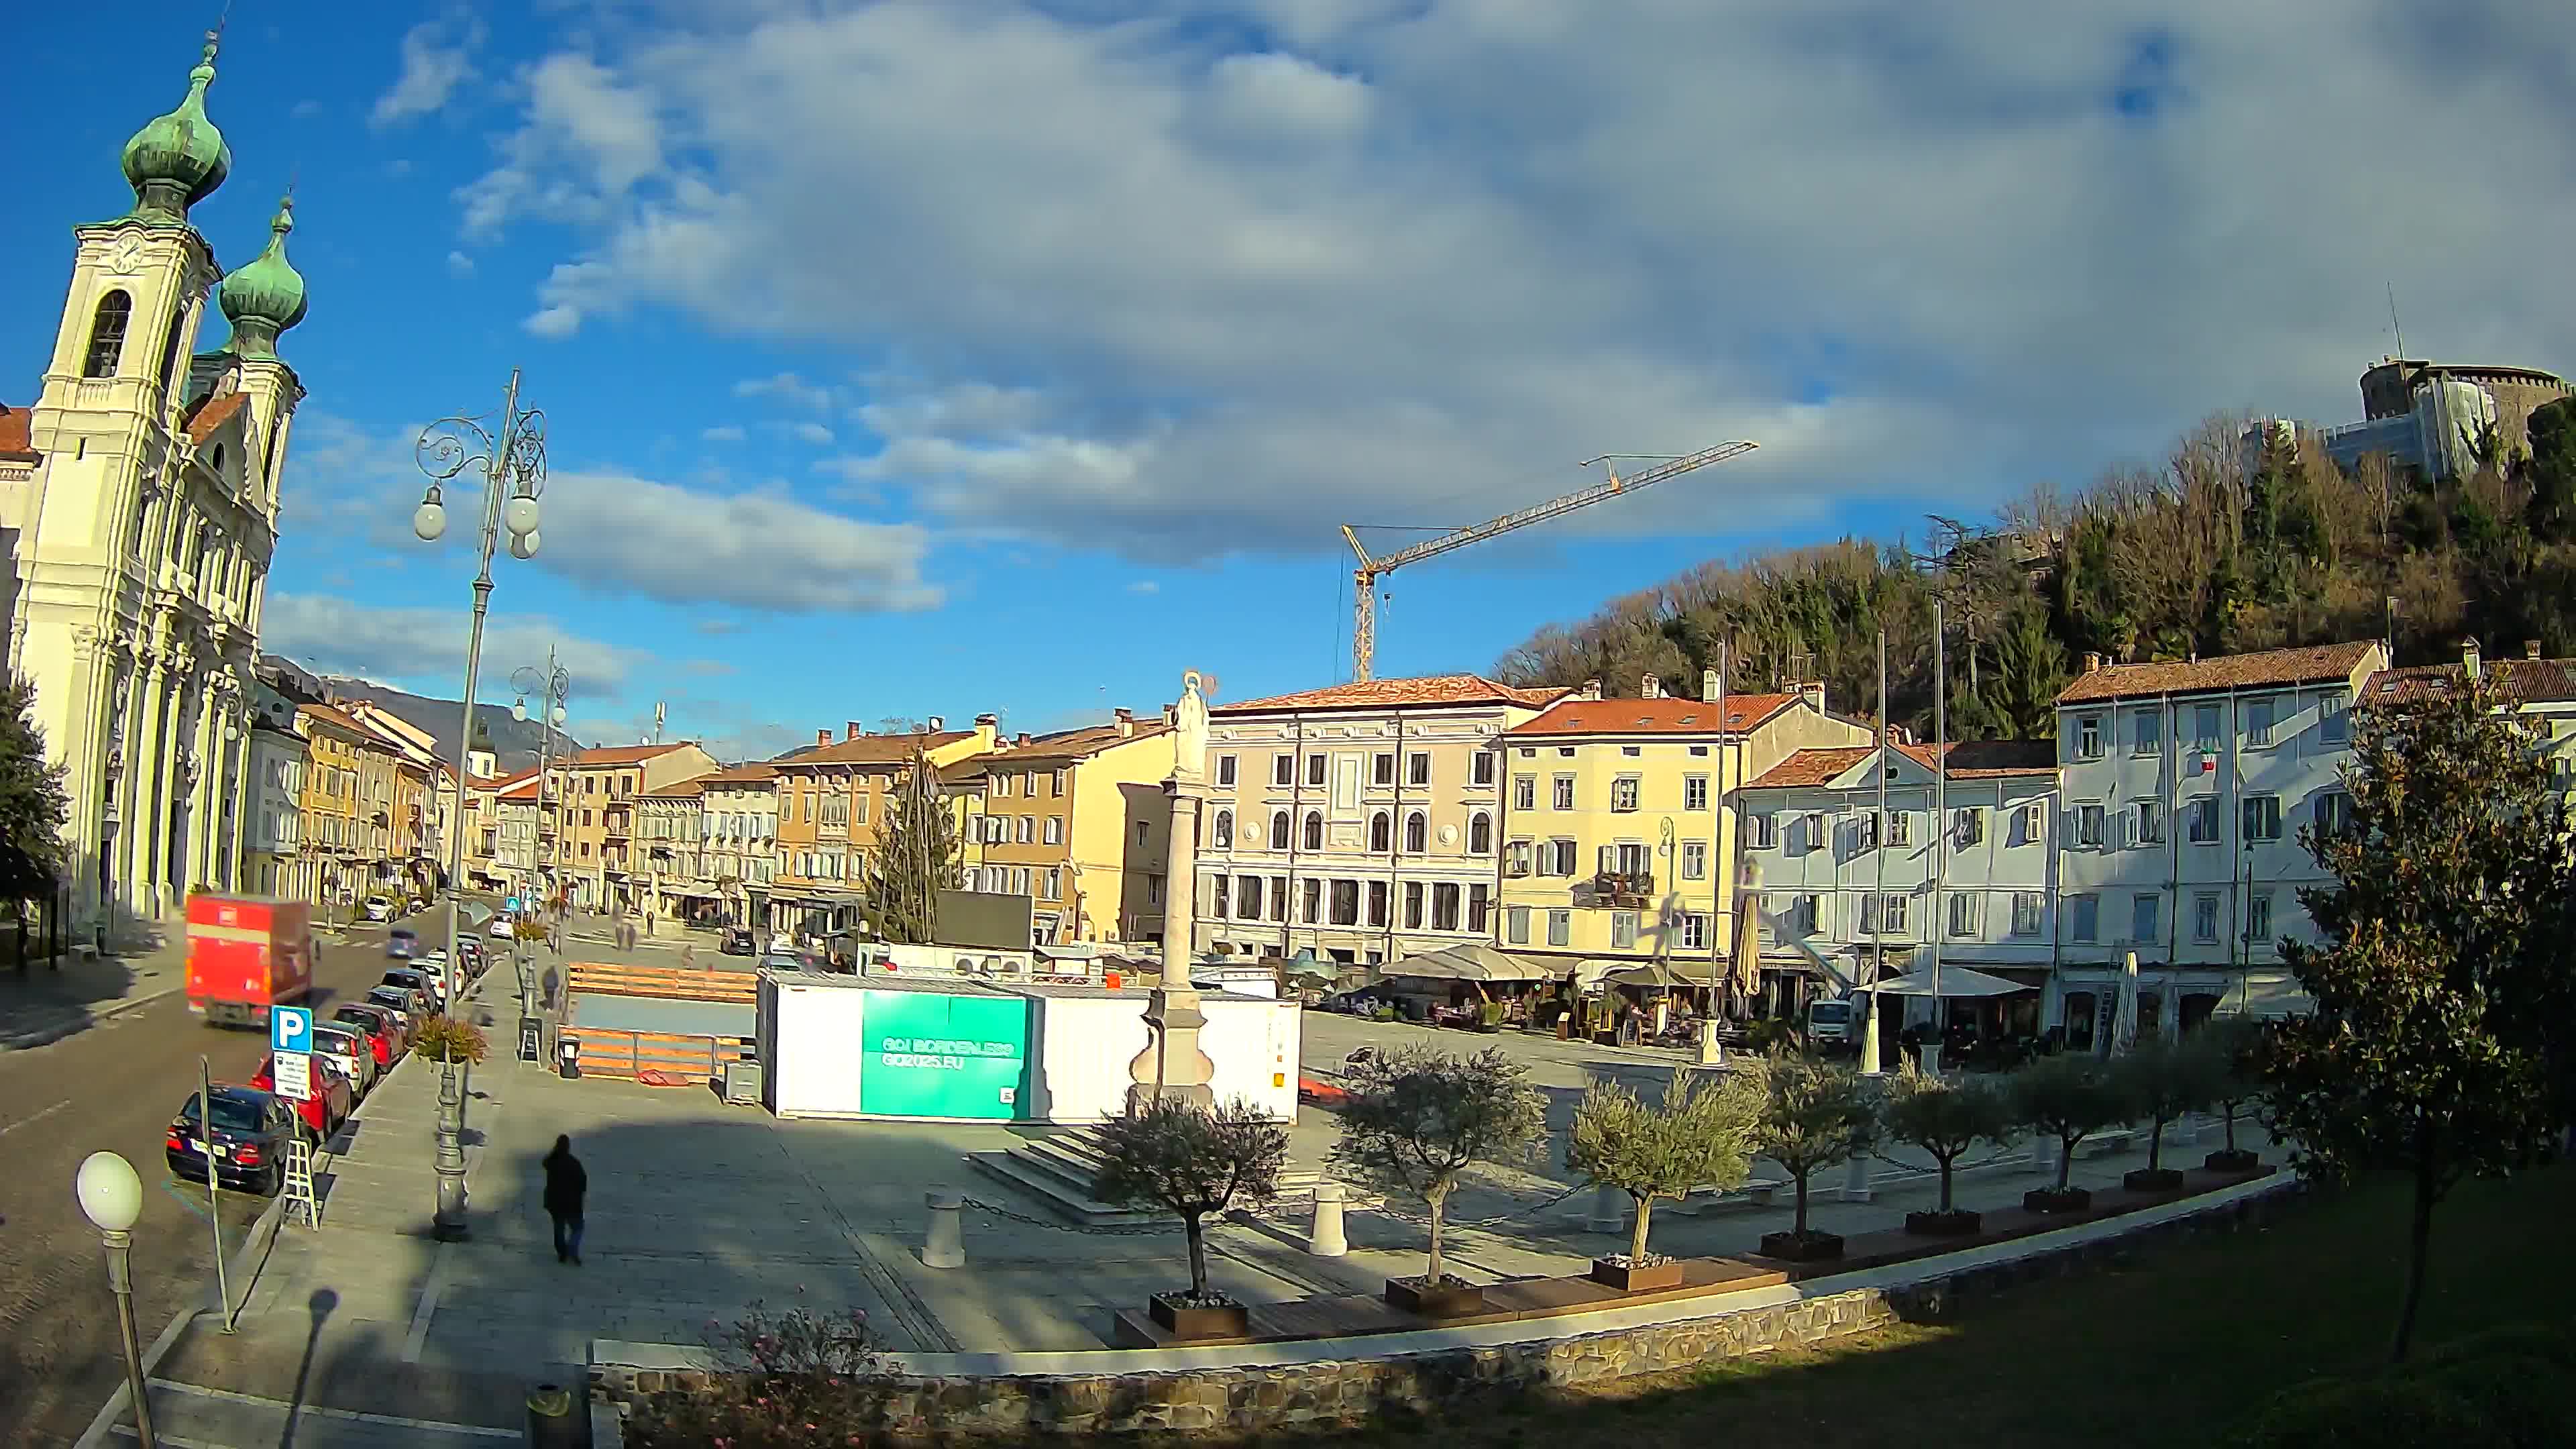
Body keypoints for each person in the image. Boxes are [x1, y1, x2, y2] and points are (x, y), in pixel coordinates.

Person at [543, 1134, 587, 1265]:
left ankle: (562, 1253)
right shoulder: (574, 1163)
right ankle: (572, 1250)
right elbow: (583, 1182)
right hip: (572, 1203)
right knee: (578, 1228)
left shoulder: (552, 1160)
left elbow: (545, 1163)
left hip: (555, 1203)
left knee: (559, 1228)